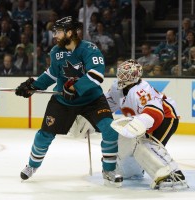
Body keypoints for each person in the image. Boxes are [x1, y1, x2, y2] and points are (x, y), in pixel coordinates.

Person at [15, 16, 123, 187]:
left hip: (92, 100)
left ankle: (109, 170)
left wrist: (74, 88)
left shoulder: (89, 49)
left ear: (70, 32)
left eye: (57, 32)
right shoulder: (55, 52)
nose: (55, 36)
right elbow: (52, 74)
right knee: (45, 134)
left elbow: (97, 74)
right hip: (64, 101)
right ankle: (32, 166)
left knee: (110, 130)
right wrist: (34, 86)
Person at [71, 59, 188, 190]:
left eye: (126, 74)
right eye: (121, 73)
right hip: (142, 119)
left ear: (136, 76)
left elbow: (155, 112)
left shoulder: (142, 90)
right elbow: (105, 105)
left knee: (142, 143)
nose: (122, 77)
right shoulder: (117, 87)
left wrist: (141, 122)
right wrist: (90, 115)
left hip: (165, 117)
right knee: (123, 142)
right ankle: (132, 171)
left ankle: (171, 174)